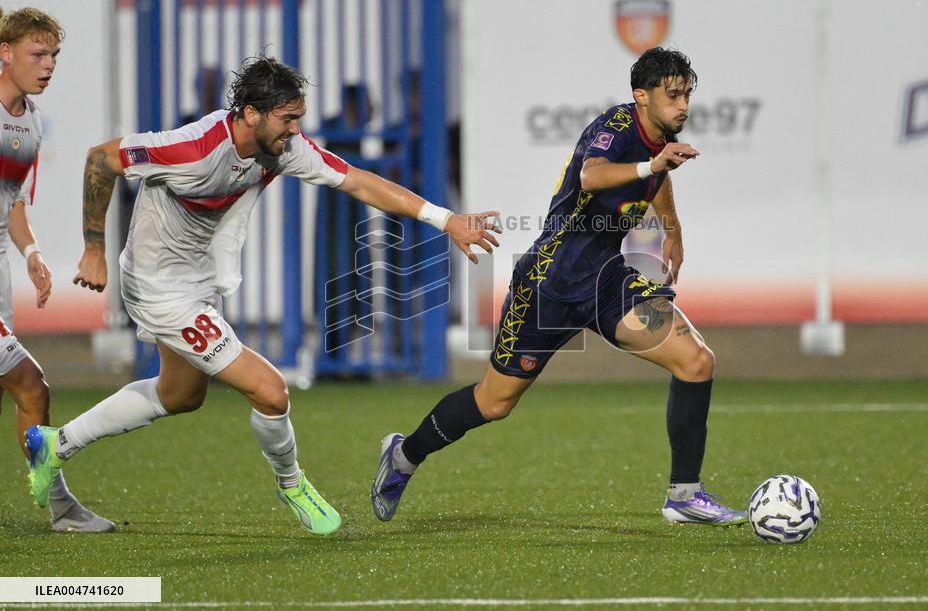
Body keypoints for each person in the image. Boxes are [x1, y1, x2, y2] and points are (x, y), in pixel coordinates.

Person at [25, 54, 501, 536]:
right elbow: (100, 159)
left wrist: (446, 220)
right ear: (251, 112)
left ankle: (55, 444)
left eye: (298, 119)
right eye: (287, 118)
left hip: (196, 280)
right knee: (271, 391)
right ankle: (292, 484)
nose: (295, 130)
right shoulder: (193, 147)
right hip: (159, 288)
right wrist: (92, 249)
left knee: (180, 394)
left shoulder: (283, 147)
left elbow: (358, 181)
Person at [372, 47, 747, 527]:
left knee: (696, 361)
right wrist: (654, 168)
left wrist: (671, 227)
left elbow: (659, 171)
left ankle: (685, 496)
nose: (683, 105)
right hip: (549, 283)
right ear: (641, 97)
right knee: (494, 402)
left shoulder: (658, 139)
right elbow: (593, 176)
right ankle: (404, 455)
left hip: (608, 282)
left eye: (687, 95)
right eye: (672, 95)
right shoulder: (614, 128)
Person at [0, 7, 115, 533]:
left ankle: (59, 506)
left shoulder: (32, 121)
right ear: (5, 54)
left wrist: (33, 254)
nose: (48, 66)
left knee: (26, 388)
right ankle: (61, 506)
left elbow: (12, 202)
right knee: (31, 386)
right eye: (37, 55)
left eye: (54, 57)